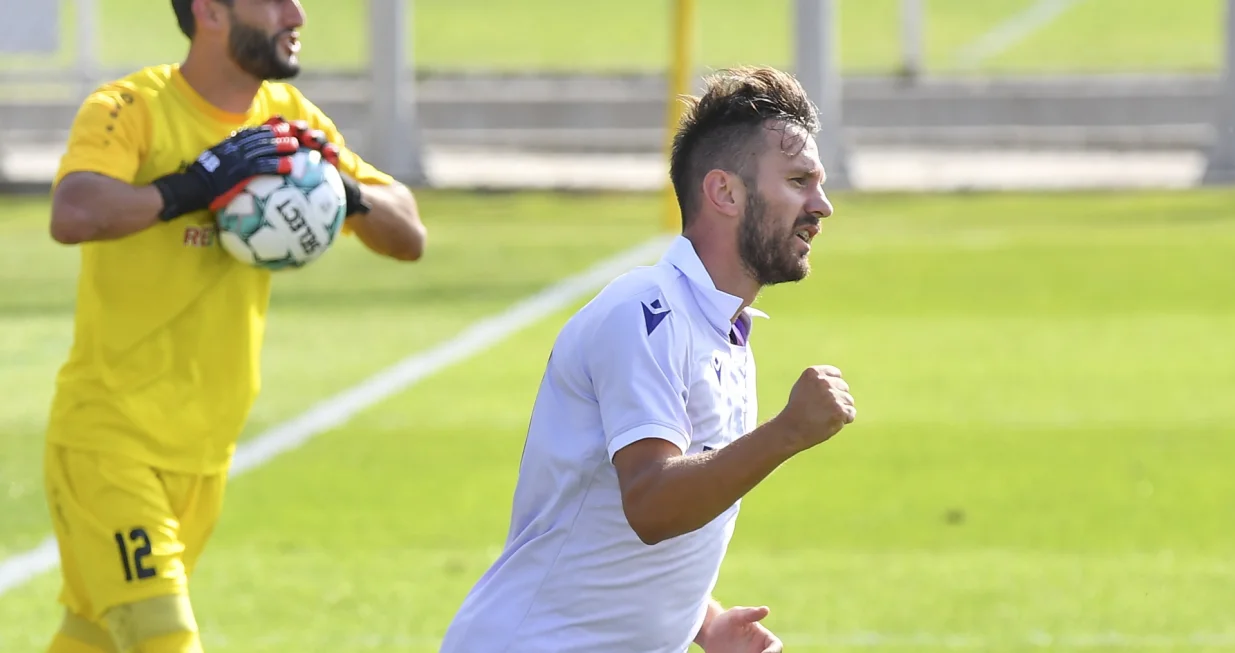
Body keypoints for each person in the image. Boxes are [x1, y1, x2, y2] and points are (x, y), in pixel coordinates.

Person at [41, 1, 427, 651]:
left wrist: (339, 187)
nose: (296, 13)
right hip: (111, 441)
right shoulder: (133, 107)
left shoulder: (289, 122)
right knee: (161, 635)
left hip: (203, 453)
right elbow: (75, 212)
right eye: (273, 0)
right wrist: (194, 187)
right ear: (210, 11)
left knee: (94, 637)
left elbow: (407, 233)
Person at [439, 65, 857, 653]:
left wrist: (701, 620)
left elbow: (609, 519)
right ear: (725, 192)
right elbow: (652, 503)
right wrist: (787, 432)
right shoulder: (646, 312)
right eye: (798, 181)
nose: (823, 205)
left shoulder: (723, 330)